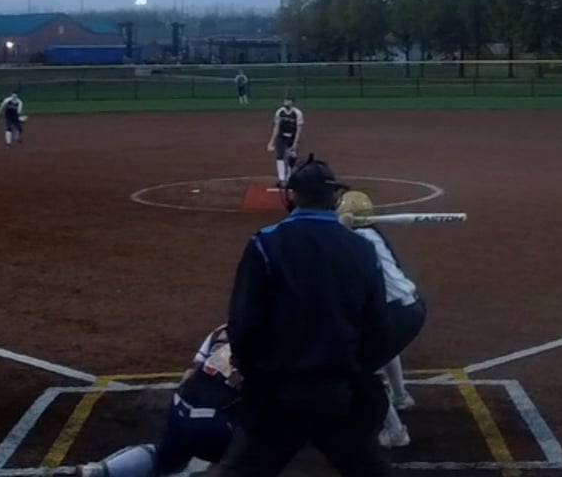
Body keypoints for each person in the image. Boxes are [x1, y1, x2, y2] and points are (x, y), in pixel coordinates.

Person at [219, 155, 393, 476]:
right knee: (368, 469)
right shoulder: (362, 248)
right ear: (334, 197)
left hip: (277, 393)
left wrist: (253, 375)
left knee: (242, 469)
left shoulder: (265, 243)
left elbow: (244, 325)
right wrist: (356, 373)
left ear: (293, 195)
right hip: (340, 393)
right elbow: (378, 327)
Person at [78, 324, 240, 477]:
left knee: (165, 457)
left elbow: (190, 374)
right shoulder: (257, 343)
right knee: (249, 460)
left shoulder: (222, 329)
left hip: (179, 409)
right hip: (217, 426)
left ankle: (98, 472)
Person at [337, 191, 425, 449]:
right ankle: (400, 397)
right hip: (410, 308)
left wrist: (340, 227)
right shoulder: (372, 234)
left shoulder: (357, 239)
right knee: (383, 348)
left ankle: (396, 432)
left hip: (396, 313)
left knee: (358, 369)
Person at [268, 98, 304, 189]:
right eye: (285, 101)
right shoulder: (280, 112)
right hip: (281, 137)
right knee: (280, 156)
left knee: (291, 157)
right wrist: (271, 142)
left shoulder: (297, 113)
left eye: (288, 101)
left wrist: (295, 143)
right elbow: (276, 127)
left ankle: (288, 178)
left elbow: (298, 129)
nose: (286, 102)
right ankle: (281, 179)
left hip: (292, 137)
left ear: (292, 102)